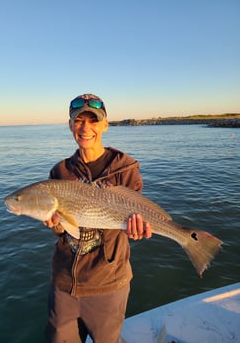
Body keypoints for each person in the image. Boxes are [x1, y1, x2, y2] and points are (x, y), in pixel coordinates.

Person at [44, 93, 152, 343]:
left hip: (109, 284)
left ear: (105, 125)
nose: (85, 128)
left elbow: (135, 217)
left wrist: (137, 231)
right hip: (64, 284)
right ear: (70, 125)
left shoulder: (125, 169)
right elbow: (62, 230)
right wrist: (57, 227)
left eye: (93, 121)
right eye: (78, 121)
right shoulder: (60, 171)